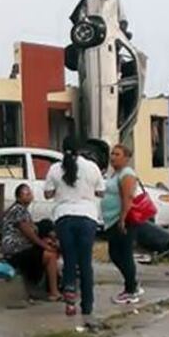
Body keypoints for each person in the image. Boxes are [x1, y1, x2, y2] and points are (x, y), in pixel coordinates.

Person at [44, 137, 105, 321]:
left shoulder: (55, 168)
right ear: (81, 150)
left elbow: (47, 194)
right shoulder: (92, 167)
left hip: (64, 217)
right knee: (85, 263)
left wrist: (61, 191)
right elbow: (101, 191)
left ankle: (70, 301)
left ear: (62, 149)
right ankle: (87, 305)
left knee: (69, 260)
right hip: (87, 217)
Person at [0, 184, 60, 301]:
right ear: (18, 197)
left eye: (30, 193)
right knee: (50, 255)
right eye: (26, 194)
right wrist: (45, 246)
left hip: (23, 248)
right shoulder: (18, 210)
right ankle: (54, 292)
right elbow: (29, 234)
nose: (30, 195)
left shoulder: (24, 211)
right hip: (16, 250)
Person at [103, 144, 143, 304]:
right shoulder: (115, 174)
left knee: (123, 255)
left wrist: (122, 219)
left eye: (117, 154)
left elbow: (128, 198)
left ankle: (130, 290)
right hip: (111, 220)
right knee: (115, 254)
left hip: (122, 220)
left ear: (126, 157)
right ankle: (132, 282)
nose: (113, 157)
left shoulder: (127, 174)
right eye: (112, 154)